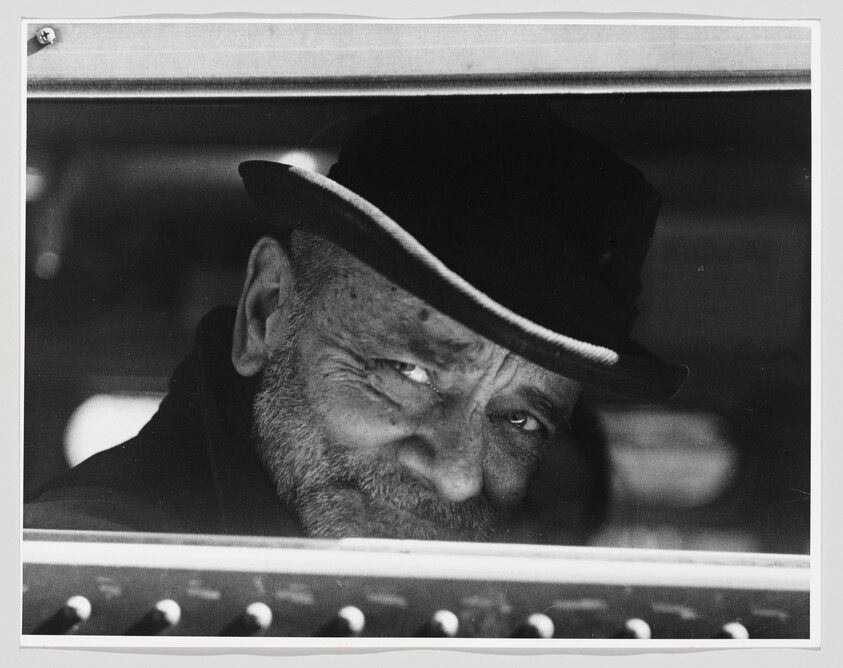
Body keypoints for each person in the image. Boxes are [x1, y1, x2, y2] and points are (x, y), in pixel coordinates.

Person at [24, 100, 687, 544]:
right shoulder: (88, 581)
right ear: (265, 312)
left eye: (520, 420)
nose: (458, 474)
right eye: (410, 370)